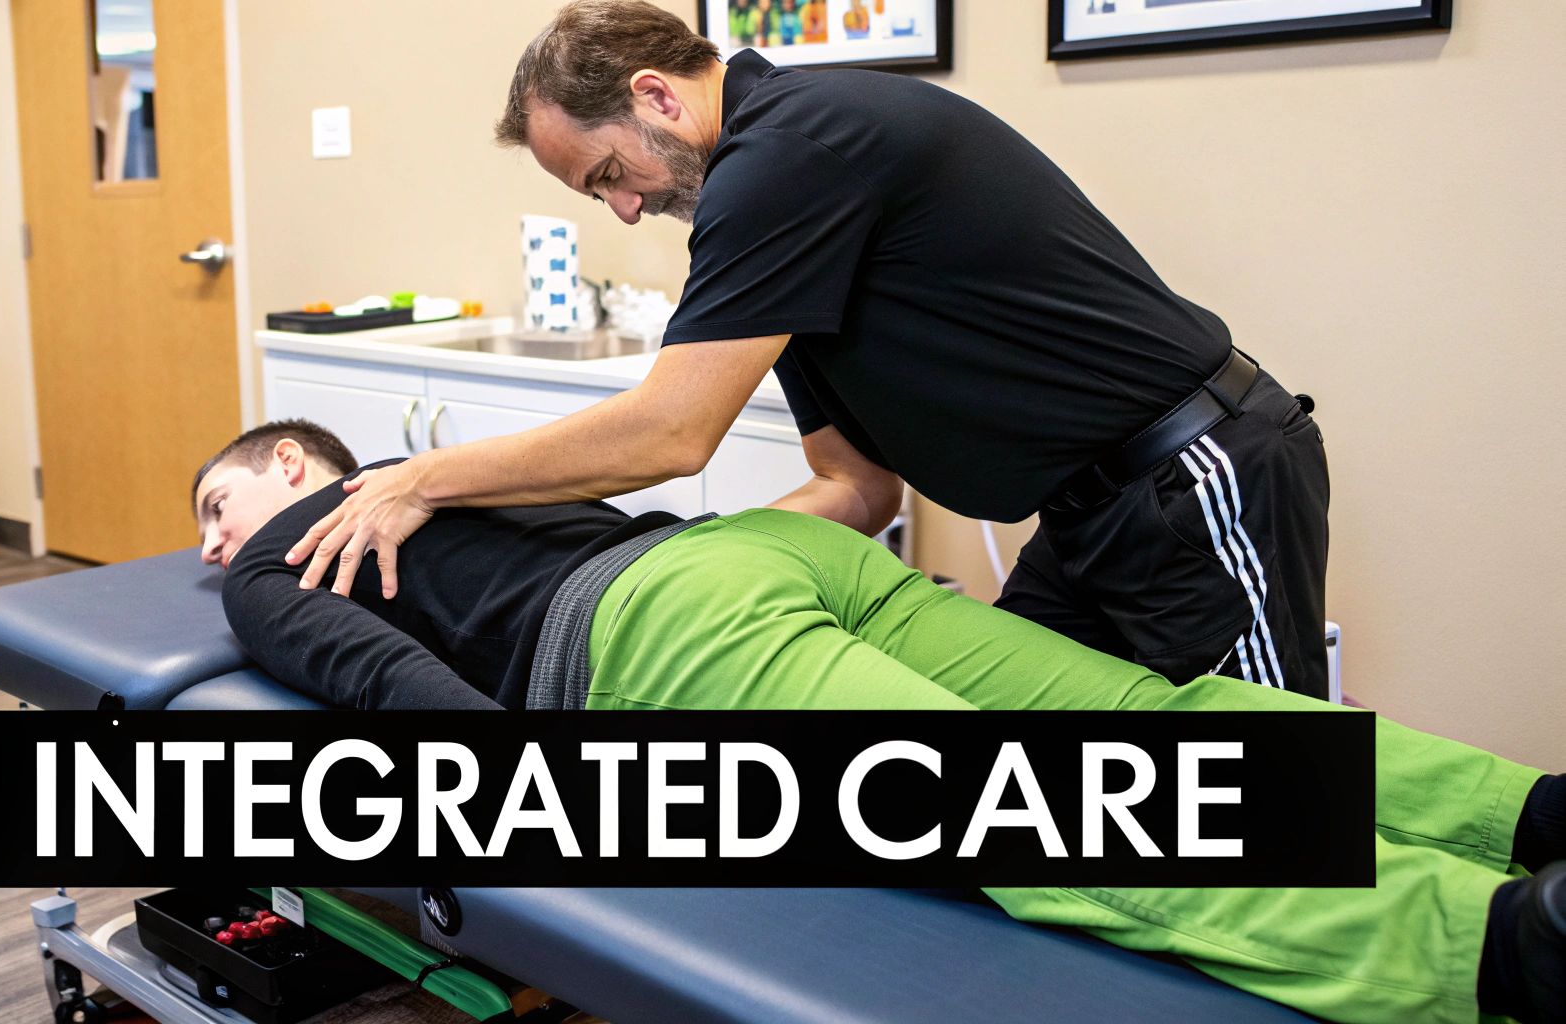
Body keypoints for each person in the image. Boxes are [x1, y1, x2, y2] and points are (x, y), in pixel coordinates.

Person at [195, 419, 1564, 1024]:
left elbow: (397, 698)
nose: (207, 550)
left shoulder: (274, 561)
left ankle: (1502, 950)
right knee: (1154, 718)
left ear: (293, 468)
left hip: (668, 640)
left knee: (1046, 810)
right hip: (776, 561)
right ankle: (1525, 816)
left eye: (215, 506)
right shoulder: (451, 473)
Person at [284, 0, 1334, 699]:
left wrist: (424, 478)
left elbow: (670, 431)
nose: (622, 210)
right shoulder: (765, 212)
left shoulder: (789, 152)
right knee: (1025, 769)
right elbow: (855, 484)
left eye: (606, 173)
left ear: (656, 96)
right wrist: (678, 566)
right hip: (1087, 510)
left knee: (1274, 801)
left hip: (1193, 477)